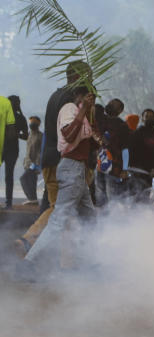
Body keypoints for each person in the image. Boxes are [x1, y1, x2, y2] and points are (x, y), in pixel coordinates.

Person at [13, 61, 91, 258]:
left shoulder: (56, 95)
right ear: (76, 77)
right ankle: (29, 242)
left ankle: (69, 261)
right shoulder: (70, 101)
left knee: (69, 212)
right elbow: (68, 134)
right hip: (63, 159)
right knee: (60, 212)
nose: (90, 80)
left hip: (51, 159)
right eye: (87, 75)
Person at [24, 86, 99, 268]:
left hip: (78, 171)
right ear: (77, 96)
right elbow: (69, 133)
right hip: (71, 168)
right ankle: (28, 262)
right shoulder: (69, 109)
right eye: (86, 96)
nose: (90, 100)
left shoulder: (82, 114)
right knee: (58, 220)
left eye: (92, 98)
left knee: (90, 217)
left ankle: (91, 260)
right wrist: (83, 110)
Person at [94, 98, 131, 206]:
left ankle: (114, 221)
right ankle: (101, 221)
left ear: (120, 110)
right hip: (99, 165)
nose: (110, 105)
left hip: (115, 167)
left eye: (114, 105)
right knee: (100, 197)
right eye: (110, 103)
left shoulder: (122, 126)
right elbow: (95, 108)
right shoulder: (100, 119)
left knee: (113, 199)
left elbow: (125, 149)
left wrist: (125, 169)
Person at [127, 108, 154, 202]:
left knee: (146, 200)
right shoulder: (136, 134)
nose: (150, 118)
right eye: (147, 116)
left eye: (152, 117)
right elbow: (133, 154)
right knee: (136, 199)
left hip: (152, 174)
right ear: (142, 119)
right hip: (138, 173)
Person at [2, 95, 29, 208]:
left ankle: (9, 202)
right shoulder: (20, 117)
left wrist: (15, 134)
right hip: (12, 150)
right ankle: (9, 202)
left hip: (7, 149)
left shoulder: (8, 116)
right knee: (9, 176)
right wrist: (16, 134)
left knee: (9, 176)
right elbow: (26, 136)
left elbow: (26, 136)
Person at [19, 115, 43, 204]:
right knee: (32, 182)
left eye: (34, 123)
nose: (32, 124)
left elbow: (41, 151)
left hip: (35, 164)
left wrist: (37, 164)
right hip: (28, 163)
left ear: (38, 124)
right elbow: (22, 136)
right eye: (31, 122)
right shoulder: (29, 134)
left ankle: (31, 198)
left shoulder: (40, 136)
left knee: (23, 179)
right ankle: (34, 200)